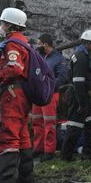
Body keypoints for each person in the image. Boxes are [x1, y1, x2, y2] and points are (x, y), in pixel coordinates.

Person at [0, 7, 33, 183]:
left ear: (9, 25)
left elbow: (14, 68)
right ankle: (26, 176)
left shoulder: (13, 43)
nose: (1, 26)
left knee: (8, 134)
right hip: (22, 94)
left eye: (2, 23)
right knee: (22, 133)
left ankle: (6, 180)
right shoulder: (24, 42)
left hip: (12, 94)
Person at [61, 30, 91, 161]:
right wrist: (82, 104)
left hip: (81, 94)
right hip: (77, 95)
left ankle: (87, 152)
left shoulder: (81, 54)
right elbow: (78, 82)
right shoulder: (81, 56)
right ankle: (66, 155)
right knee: (75, 125)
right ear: (89, 43)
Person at [32, 33, 68, 161]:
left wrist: (48, 87)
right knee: (37, 122)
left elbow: (62, 78)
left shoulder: (59, 59)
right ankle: (38, 148)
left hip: (50, 95)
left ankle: (49, 151)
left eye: (39, 43)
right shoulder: (39, 56)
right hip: (38, 95)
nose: (37, 45)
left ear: (45, 44)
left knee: (49, 123)